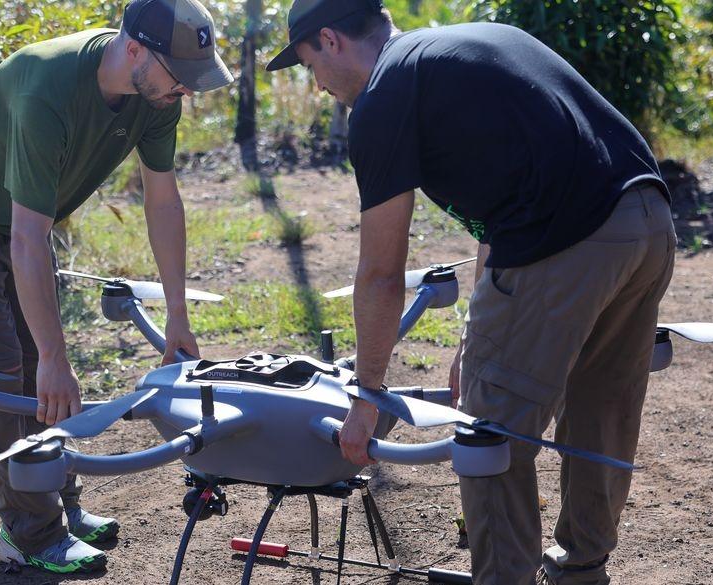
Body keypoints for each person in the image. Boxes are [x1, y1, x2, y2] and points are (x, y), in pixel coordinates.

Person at [267, 1, 675, 583]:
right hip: (648, 220)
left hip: (564, 239)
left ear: (329, 40)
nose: (318, 84)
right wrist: (473, 339)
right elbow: (497, 210)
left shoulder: (384, 95)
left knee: (491, 437)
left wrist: (368, 395)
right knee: (602, 407)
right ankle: (583, 568)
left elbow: (382, 272)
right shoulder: (465, 45)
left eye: (309, 64)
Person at [0, 0, 232, 574]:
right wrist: (53, 355)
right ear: (134, 51)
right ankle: (29, 534)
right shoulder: (45, 87)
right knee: (2, 372)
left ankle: (62, 505)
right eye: (181, 77)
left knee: (42, 373)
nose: (188, 92)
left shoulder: (155, 95)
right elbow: (29, 238)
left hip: (18, 221)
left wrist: (178, 315)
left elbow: (163, 201)